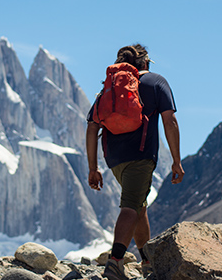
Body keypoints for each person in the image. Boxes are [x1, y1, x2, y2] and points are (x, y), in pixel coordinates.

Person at [86, 44, 184, 279]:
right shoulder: (156, 82)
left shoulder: (109, 88)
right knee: (131, 205)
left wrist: (93, 168)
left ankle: (148, 261)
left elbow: (92, 126)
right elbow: (170, 121)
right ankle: (115, 262)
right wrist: (176, 160)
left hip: (114, 159)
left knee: (139, 205)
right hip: (140, 156)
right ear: (146, 63)